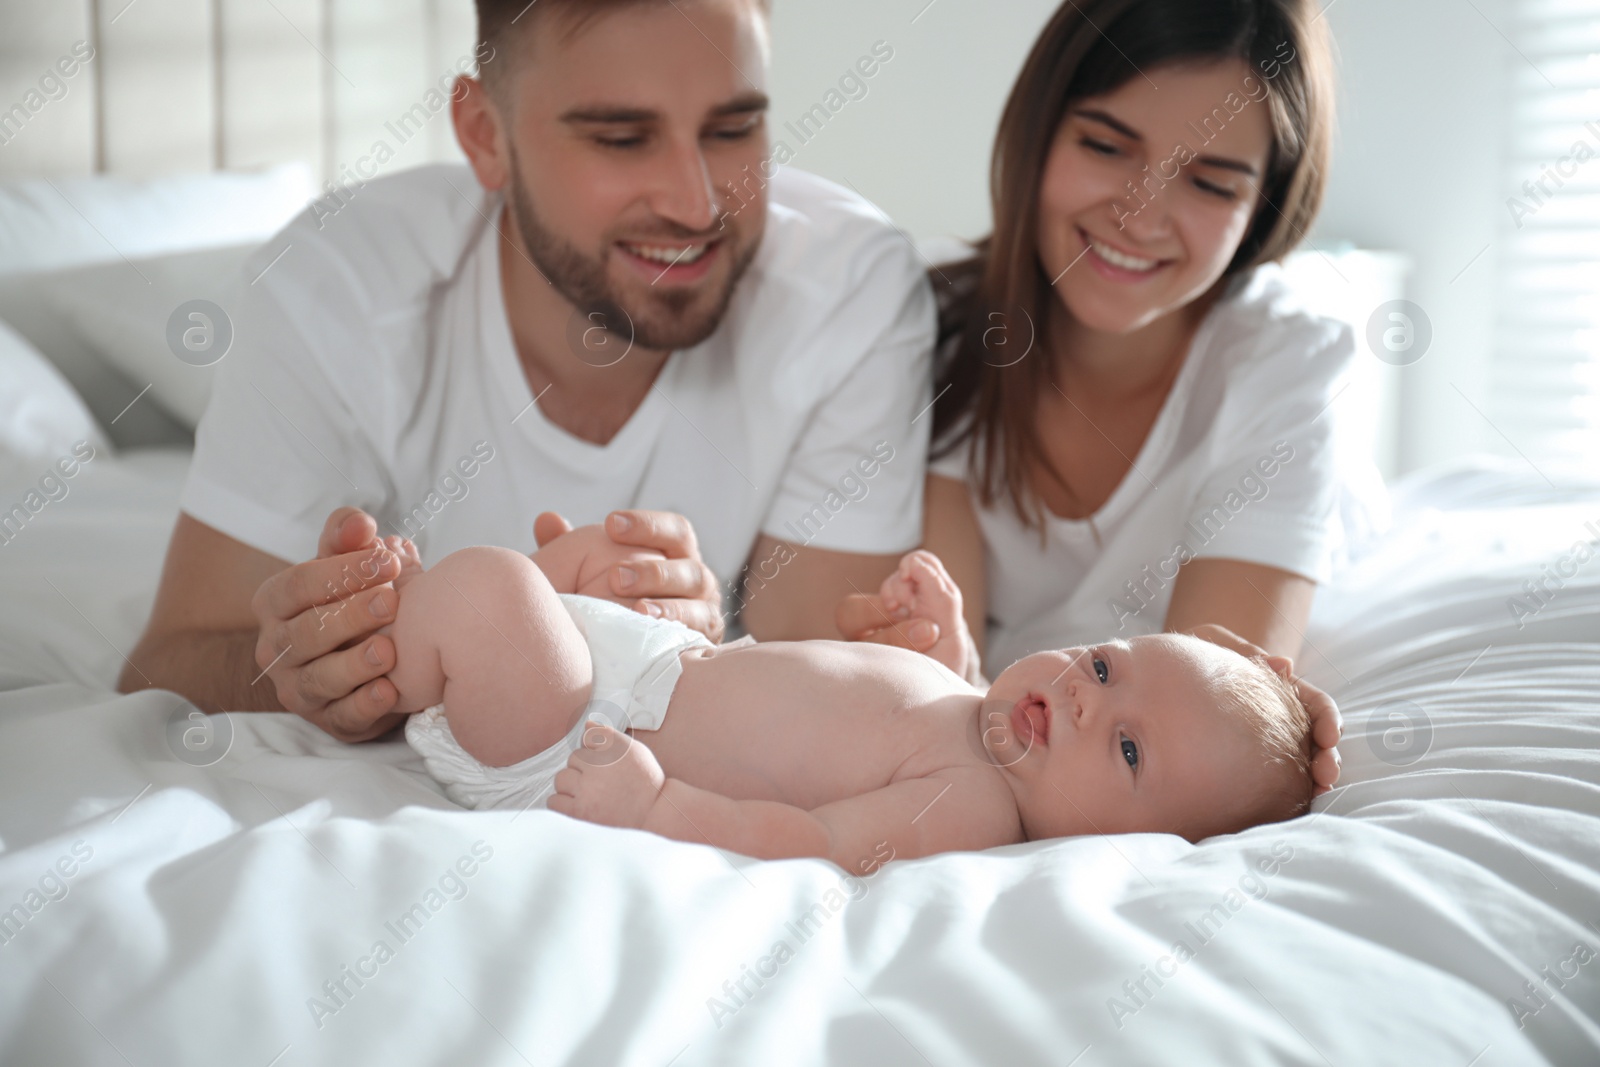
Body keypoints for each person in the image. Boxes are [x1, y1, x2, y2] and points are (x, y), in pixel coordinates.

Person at [118, 0, 936, 743]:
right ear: (485, 136)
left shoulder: (849, 291)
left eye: (732, 131)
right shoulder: (332, 294)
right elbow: (164, 669)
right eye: (622, 138)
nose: (696, 206)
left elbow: (841, 689)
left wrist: (701, 655)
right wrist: (326, 675)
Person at [838, 0, 1381, 794]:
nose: (1142, 214)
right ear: (1040, 132)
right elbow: (953, 690)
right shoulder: (934, 325)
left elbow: (1199, 720)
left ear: (1263, 208)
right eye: (1106, 145)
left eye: (1209, 181)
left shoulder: (1285, 360)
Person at [384, 528, 1314, 862]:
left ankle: (396, 626)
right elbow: (932, 706)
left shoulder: (974, 806)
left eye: (1128, 749)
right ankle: (418, 623)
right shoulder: (984, 727)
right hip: (653, 664)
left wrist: (656, 804)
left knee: (488, 589)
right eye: (1105, 667)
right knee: (588, 563)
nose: (1082, 699)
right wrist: (947, 645)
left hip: (582, 743)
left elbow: (819, 841)